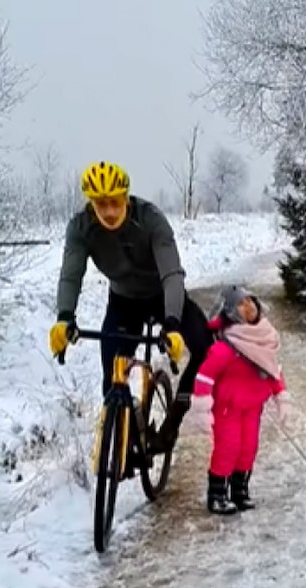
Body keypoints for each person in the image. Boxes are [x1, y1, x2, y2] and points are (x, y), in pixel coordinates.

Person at [47, 161, 211, 455]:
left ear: (126, 197)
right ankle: (127, 432)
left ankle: (172, 423)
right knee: (112, 375)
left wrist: (172, 324)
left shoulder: (151, 220)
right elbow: (71, 274)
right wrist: (64, 317)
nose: (109, 211)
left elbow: (172, 273)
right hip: (123, 301)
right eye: (100, 204)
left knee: (204, 347)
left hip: (163, 297)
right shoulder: (82, 228)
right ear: (91, 203)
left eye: (115, 202)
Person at [187, 286, 291, 514]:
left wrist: (281, 396)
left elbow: (273, 369)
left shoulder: (264, 341)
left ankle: (240, 490)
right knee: (228, 448)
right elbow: (205, 375)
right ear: (231, 312)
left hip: (253, 408)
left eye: (251, 301)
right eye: (241, 304)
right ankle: (217, 494)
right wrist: (202, 407)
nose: (249, 307)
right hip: (228, 409)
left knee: (248, 448)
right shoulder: (227, 347)